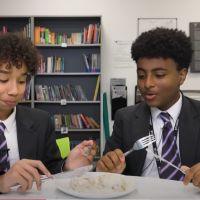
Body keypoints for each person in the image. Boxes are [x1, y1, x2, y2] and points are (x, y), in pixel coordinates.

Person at [96, 28, 200, 188]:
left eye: (159, 75)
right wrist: (107, 167)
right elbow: (105, 170)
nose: (147, 84)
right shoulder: (125, 118)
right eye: (142, 75)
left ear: (182, 75)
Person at [0, 33, 95, 194]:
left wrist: (67, 167)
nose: (15, 91)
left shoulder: (40, 121)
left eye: (22, 81)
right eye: (3, 80)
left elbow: (50, 170)